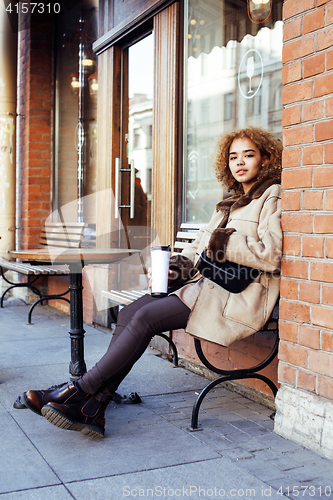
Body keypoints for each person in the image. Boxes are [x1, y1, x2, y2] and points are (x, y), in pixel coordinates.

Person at [22, 126, 283, 438]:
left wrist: (222, 240)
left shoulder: (272, 195)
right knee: (132, 311)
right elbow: (199, 246)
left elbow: (271, 254)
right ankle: (94, 407)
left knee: (145, 318)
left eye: (249, 155)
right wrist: (172, 267)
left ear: (265, 159)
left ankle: (80, 391)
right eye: (233, 157)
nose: (239, 162)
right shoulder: (231, 201)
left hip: (236, 296)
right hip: (205, 287)